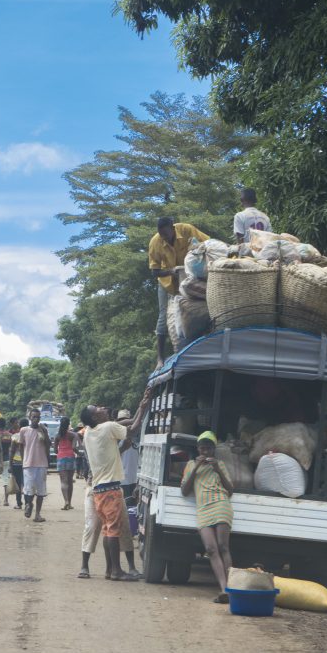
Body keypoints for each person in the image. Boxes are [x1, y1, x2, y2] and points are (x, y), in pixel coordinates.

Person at [80, 404, 139, 581]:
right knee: (113, 531)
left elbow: (110, 454)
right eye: (97, 409)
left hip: (98, 489)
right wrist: (143, 407)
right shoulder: (108, 427)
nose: (102, 408)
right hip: (111, 489)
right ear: (96, 418)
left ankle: (109, 570)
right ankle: (116, 571)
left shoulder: (89, 433)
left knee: (107, 530)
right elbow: (133, 429)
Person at [147, 216, 210, 367]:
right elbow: (155, 272)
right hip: (168, 283)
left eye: (166, 235)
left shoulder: (187, 230)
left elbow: (207, 243)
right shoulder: (155, 242)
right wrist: (171, 271)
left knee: (201, 306)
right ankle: (160, 358)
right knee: (164, 315)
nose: (164, 238)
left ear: (172, 228)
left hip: (191, 278)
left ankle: (203, 341)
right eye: (161, 235)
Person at [181, 431, 235, 603]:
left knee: (223, 546)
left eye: (208, 448)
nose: (205, 452)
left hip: (220, 504)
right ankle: (224, 588)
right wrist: (196, 467)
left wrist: (217, 469)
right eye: (202, 448)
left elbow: (230, 490)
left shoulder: (220, 464)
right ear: (197, 449)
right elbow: (185, 490)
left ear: (214, 450)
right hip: (203, 509)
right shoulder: (190, 465)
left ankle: (230, 588)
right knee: (211, 549)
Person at [78, 476, 141, 580]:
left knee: (120, 527)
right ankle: (85, 566)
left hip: (110, 487)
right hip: (98, 487)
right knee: (94, 527)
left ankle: (116, 569)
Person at [20, 412, 50, 522]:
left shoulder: (42, 430)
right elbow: (21, 446)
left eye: (38, 417)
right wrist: (24, 460)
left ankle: (37, 514)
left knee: (41, 491)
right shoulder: (24, 430)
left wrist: (45, 432)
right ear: (29, 418)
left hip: (42, 464)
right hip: (28, 464)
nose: (36, 419)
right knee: (28, 490)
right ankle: (28, 504)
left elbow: (48, 444)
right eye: (34, 417)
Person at [54, 416, 78, 510]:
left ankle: (66, 501)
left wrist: (60, 451)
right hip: (71, 457)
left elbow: (55, 450)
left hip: (61, 458)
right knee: (70, 481)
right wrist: (80, 453)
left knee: (63, 481)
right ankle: (70, 503)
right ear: (69, 425)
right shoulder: (73, 435)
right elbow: (74, 448)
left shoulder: (57, 436)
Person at [8, 419, 26, 509]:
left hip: (16, 462)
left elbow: (12, 451)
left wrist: (10, 465)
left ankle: (19, 503)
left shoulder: (15, 436)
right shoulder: (31, 436)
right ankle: (28, 502)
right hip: (28, 462)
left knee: (18, 484)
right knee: (26, 483)